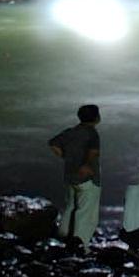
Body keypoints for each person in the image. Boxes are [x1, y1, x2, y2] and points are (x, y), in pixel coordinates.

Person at [47, 102, 102, 248]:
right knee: (85, 211)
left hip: (70, 175)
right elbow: (93, 152)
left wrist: (65, 156)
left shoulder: (70, 132)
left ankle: (63, 233)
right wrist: (86, 166)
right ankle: (80, 243)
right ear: (96, 118)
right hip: (88, 178)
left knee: (70, 205)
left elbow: (53, 144)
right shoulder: (92, 133)